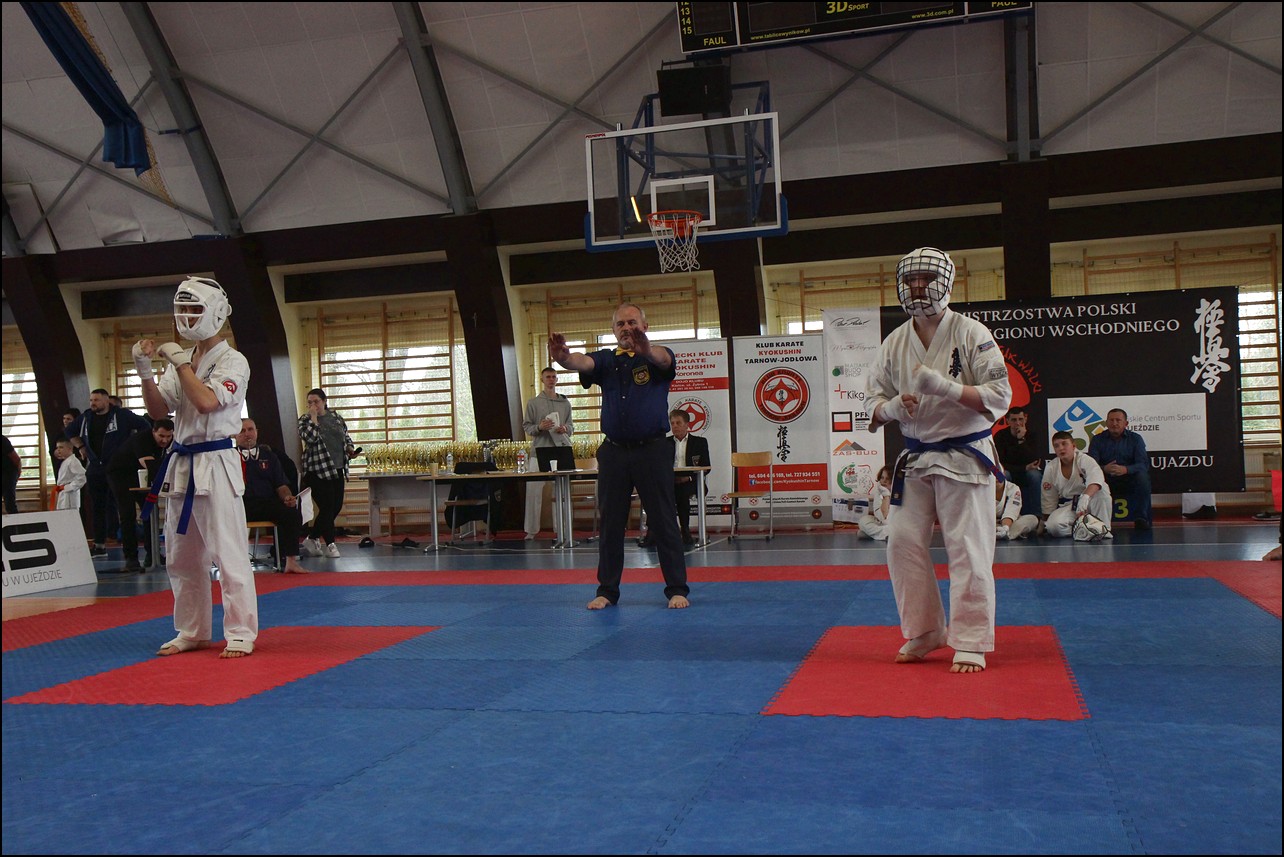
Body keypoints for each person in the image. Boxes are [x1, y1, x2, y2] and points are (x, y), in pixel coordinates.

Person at [866, 247, 1011, 674]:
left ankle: (971, 640)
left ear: (945, 283)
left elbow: (1001, 395)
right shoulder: (894, 342)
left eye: (926, 279)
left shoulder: (971, 333)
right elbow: (871, 401)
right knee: (901, 542)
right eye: (910, 280)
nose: (917, 287)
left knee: (967, 547)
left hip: (965, 455)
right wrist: (892, 408)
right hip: (916, 456)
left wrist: (945, 387)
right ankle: (926, 630)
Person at [134, 276, 257, 659]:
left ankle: (240, 632)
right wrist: (144, 371)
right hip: (182, 463)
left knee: (228, 553)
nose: (187, 316)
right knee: (182, 557)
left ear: (216, 313)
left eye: (194, 309)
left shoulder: (234, 361)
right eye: (182, 309)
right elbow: (159, 410)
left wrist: (182, 364)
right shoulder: (184, 361)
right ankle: (192, 630)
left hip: (217, 462)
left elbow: (206, 403)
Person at [548, 302, 690, 610]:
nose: (627, 328)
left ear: (644, 326)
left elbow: (663, 359)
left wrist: (645, 349)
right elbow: (581, 361)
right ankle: (607, 590)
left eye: (632, 322)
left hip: (652, 450)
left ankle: (677, 589)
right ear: (613, 330)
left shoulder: (657, 356)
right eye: (620, 324)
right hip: (614, 452)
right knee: (611, 523)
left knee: (664, 520)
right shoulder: (606, 359)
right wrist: (562, 359)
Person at [65, 389, 149, 557]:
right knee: (97, 506)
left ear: (106, 401)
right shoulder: (86, 417)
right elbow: (69, 431)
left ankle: (129, 549)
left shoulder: (121, 415)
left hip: (119, 467)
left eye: (96, 400)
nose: (92, 403)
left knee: (124, 508)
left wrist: (132, 448)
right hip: (96, 466)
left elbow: (145, 426)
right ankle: (99, 544)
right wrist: (81, 446)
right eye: (91, 400)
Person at [237, 418, 307, 574]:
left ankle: (290, 561)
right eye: (242, 431)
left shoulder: (270, 456)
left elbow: (281, 485)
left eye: (250, 429)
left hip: (266, 503)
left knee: (291, 513)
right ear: (235, 434)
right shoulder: (230, 458)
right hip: (240, 505)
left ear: (257, 432)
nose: (247, 434)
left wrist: (287, 497)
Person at [106, 418, 174, 572]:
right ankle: (131, 558)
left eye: (168, 436)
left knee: (150, 512)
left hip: (141, 475)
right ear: (153, 432)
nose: (165, 440)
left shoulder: (168, 443)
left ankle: (153, 554)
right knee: (127, 514)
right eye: (161, 436)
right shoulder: (142, 439)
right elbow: (151, 466)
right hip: (120, 474)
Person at [298, 388, 355, 559]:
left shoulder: (336, 417)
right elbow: (310, 438)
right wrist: (314, 419)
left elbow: (345, 436)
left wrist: (350, 448)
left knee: (336, 506)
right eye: (310, 402)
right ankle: (331, 544)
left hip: (337, 468)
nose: (313, 405)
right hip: (317, 470)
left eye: (316, 401)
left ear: (324, 401)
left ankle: (313, 537)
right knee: (327, 507)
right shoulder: (305, 420)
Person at [521, 366, 574, 540]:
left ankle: (562, 529)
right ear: (542, 380)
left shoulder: (565, 403)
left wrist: (565, 428)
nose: (551, 380)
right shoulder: (533, 403)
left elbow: (571, 427)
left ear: (557, 380)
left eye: (553, 377)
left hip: (561, 450)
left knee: (561, 491)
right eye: (548, 377)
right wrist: (539, 427)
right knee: (533, 491)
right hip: (540, 450)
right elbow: (527, 426)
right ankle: (531, 530)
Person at [650, 408, 711, 547]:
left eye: (678, 423)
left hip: (691, 480)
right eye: (672, 423)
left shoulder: (699, 442)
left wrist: (688, 478)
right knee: (656, 493)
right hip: (670, 480)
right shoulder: (665, 443)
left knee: (682, 493)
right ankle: (655, 533)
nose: (675, 426)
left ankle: (685, 531)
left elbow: (706, 467)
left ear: (687, 425)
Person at [1087, 408, 1152, 530]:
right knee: (1092, 478)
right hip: (1105, 479)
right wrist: (1104, 468)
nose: (1114, 423)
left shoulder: (1136, 439)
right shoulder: (1097, 440)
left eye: (1118, 420)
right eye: (1111, 420)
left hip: (1129, 479)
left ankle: (1141, 518)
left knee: (1142, 477)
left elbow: (1143, 464)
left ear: (1126, 423)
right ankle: (1096, 520)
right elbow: (1090, 465)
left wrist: (1126, 469)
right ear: (1106, 423)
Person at [1041, 430, 1114, 539]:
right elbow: (1049, 497)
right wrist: (1046, 521)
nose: (1061, 448)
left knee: (1102, 490)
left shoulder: (1085, 460)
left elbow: (1096, 480)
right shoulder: (1051, 467)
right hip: (1072, 505)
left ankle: (1103, 529)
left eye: (1064, 444)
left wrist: (1085, 497)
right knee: (1053, 527)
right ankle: (1084, 531)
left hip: (1092, 502)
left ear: (1073, 446)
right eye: (1056, 446)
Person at [994, 406, 1043, 517]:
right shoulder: (1000, 436)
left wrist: (1021, 439)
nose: (1017, 423)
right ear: (1007, 421)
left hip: (1027, 472)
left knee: (1035, 475)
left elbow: (1034, 459)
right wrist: (1023, 468)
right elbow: (1000, 462)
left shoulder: (1032, 435)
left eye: (1020, 419)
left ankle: (1037, 515)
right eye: (1014, 420)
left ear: (1025, 419)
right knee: (1003, 475)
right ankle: (1002, 514)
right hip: (1010, 471)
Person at [855, 465, 893, 541]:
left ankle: (872, 534)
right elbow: (881, 517)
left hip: (895, 524)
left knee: (896, 527)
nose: (884, 481)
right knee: (863, 521)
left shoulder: (901, 492)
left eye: (887, 478)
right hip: (883, 524)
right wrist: (886, 496)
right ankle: (887, 535)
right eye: (882, 478)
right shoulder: (879, 492)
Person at [995, 476, 1038, 541]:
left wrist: (1005, 527)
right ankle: (998, 533)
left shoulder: (1013, 488)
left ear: (1003, 474)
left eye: (998, 474)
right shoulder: (981, 488)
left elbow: (1011, 512)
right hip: (989, 522)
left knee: (1032, 519)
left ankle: (1004, 533)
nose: (996, 478)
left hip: (1008, 524)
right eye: (993, 475)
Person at [51, 439, 86, 511]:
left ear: (69, 449)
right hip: (63, 494)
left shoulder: (73, 461)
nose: (58, 450)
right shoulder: (66, 461)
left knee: (70, 517)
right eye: (57, 448)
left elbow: (83, 476)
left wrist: (69, 487)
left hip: (70, 496)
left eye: (61, 447)